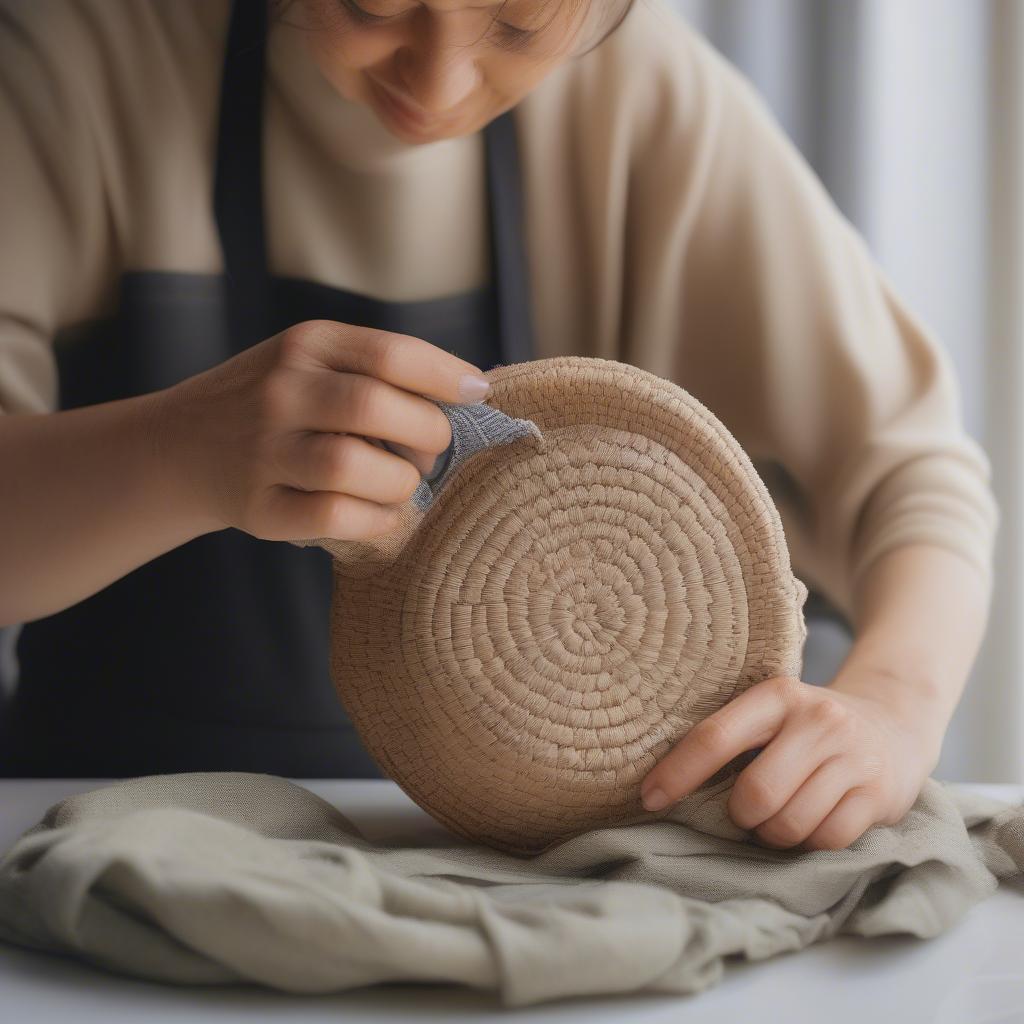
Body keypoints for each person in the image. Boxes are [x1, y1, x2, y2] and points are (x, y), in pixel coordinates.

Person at [0, 0, 999, 853]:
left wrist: (892, 707)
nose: (436, 88)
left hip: (550, 881)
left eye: (519, 23)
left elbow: (913, 475)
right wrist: (177, 453)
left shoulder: (637, 98)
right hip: (108, 844)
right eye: (372, 7)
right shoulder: (76, 61)